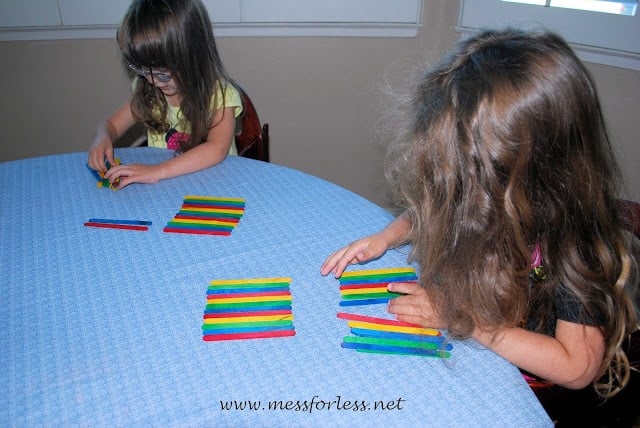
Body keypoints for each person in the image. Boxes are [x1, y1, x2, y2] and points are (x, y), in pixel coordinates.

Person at [321, 28, 639, 424]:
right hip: (484, 351)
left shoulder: (578, 241)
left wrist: (466, 323)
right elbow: (440, 208)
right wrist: (386, 237)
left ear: (528, 166)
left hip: (537, 399)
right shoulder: (497, 188)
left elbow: (576, 368)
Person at [87, 0, 242, 189]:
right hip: (169, 189)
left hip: (217, 186)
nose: (153, 81)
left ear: (194, 59)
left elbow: (216, 149)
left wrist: (156, 171)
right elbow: (111, 125)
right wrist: (102, 138)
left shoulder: (220, 96)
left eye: (163, 74)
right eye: (143, 70)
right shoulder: (148, 91)